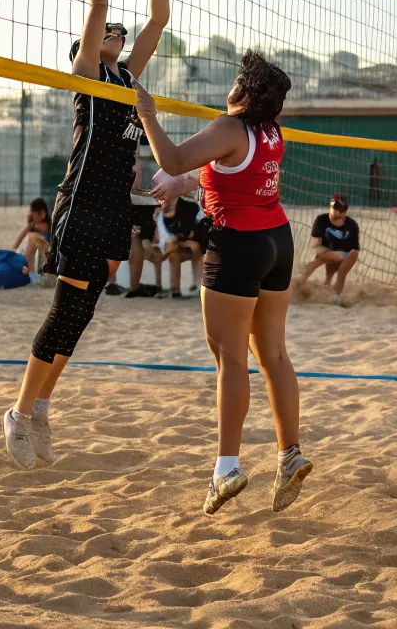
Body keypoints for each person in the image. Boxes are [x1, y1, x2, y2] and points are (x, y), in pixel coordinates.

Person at [3, 0, 170, 468]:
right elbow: (97, 10)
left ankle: (43, 406)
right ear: (92, 44)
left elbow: (160, 17)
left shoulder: (127, 78)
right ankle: (20, 413)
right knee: (64, 307)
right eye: (109, 33)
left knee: (84, 312)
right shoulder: (90, 75)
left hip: (112, 208)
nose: (117, 33)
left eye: (121, 33)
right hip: (78, 202)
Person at [138, 50, 313, 516]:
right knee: (273, 353)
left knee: (230, 359)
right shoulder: (271, 132)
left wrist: (148, 116)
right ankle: (289, 454)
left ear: (245, 92)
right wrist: (187, 185)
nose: (231, 85)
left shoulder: (228, 126)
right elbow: (230, 171)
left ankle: (226, 468)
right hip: (277, 240)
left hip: (237, 245)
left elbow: (173, 158)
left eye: (238, 80)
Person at [294, 194, 360, 306]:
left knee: (340, 269)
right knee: (317, 260)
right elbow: (315, 244)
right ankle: (299, 284)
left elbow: (354, 250)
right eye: (335, 208)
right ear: (331, 207)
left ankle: (337, 295)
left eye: (341, 210)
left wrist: (341, 258)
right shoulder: (321, 220)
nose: (338, 212)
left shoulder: (352, 225)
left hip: (347, 253)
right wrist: (325, 253)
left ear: (345, 211)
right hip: (327, 251)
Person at [159, 193, 207, 298]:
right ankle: (175, 288)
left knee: (195, 247)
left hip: (190, 244)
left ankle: (198, 285)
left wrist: (180, 241)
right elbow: (165, 240)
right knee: (174, 254)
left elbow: (193, 233)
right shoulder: (161, 215)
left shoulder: (189, 207)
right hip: (173, 246)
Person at [12, 197, 51, 279]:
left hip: (43, 269)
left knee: (32, 237)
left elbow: (15, 245)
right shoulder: (35, 229)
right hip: (36, 266)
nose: (30, 216)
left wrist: (29, 225)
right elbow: (15, 246)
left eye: (32, 214)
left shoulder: (44, 226)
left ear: (42, 214)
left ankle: (30, 275)